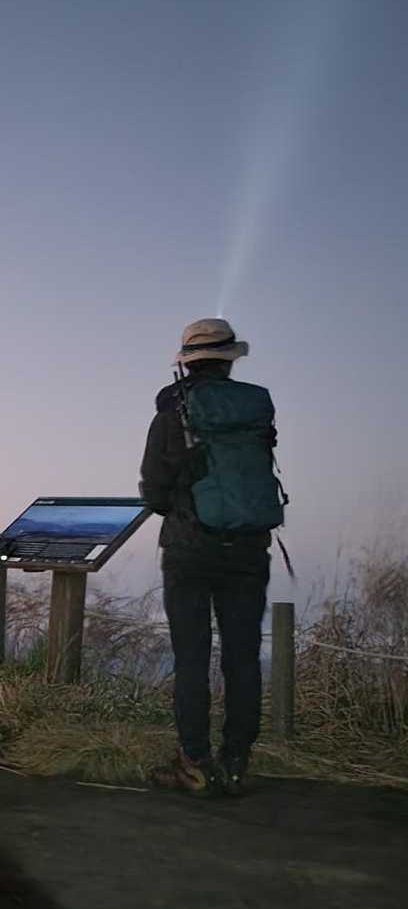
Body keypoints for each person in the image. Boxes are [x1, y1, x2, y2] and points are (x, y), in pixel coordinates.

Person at [140, 317, 279, 796]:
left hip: (190, 548)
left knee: (192, 657)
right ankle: (236, 762)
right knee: (243, 657)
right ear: (228, 361)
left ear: (187, 362)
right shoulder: (255, 409)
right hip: (249, 547)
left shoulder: (172, 413)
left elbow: (154, 492)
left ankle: (195, 763)